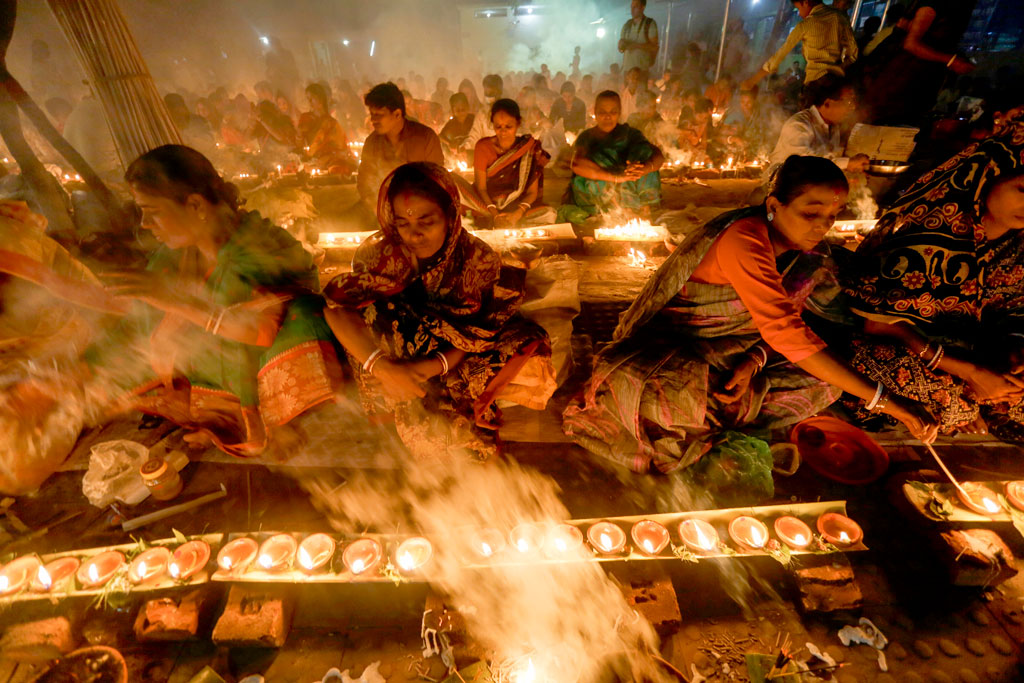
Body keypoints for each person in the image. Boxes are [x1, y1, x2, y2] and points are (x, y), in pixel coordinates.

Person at [564, 155, 937, 475]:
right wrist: (888, 402)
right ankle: (703, 417)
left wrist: (752, 363)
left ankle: (708, 418)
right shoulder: (744, 238)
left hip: (728, 356)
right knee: (663, 396)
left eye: (834, 215)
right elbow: (786, 333)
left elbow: (791, 327)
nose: (823, 225)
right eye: (811, 212)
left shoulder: (809, 256)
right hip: (668, 353)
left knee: (826, 383)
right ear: (774, 206)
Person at [91, 145, 343, 456]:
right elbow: (138, 316)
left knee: (300, 317)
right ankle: (215, 415)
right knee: (161, 346)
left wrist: (177, 301)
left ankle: (276, 418)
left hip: (270, 350)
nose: (143, 223)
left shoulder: (258, 246)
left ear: (195, 205)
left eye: (153, 212)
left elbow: (256, 332)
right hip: (226, 354)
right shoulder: (177, 254)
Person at [323, 162, 557, 460]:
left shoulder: (477, 260)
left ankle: (422, 396)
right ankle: (408, 398)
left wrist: (424, 369)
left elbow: (477, 332)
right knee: (378, 316)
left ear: (450, 215)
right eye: (403, 223)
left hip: (451, 355)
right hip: (391, 357)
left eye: (426, 221)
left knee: (527, 342)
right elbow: (335, 309)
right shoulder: (378, 256)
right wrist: (383, 368)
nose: (414, 235)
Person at [840, 112, 1024, 440]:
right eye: (1022, 189)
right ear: (986, 177)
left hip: (976, 355)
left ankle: (983, 403)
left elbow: (1012, 316)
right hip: (913, 350)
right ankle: (968, 406)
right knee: (945, 396)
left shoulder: (1018, 244)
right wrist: (969, 371)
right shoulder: (930, 227)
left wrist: (1012, 356)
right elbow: (879, 324)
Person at [860, 0, 975, 126]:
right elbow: (910, 44)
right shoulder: (936, 5)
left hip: (916, 84)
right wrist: (950, 60)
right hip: (901, 82)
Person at [561, 90, 664, 226]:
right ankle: (616, 212)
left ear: (619, 113)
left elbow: (657, 156)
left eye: (613, 112)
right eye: (602, 112)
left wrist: (643, 169)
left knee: (644, 152)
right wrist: (617, 177)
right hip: (601, 186)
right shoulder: (587, 137)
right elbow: (577, 165)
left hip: (630, 183)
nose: (607, 117)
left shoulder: (630, 134)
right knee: (595, 164)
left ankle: (643, 210)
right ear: (595, 113)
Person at [461, 99, 556, 229]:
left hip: (517, 206)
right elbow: (481, 188)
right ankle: (495, 221)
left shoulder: (529, 148)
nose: (503, 132)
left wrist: (517, 214)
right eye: (498, 127)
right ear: (492, 124)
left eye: (508, 127)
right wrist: (495, 214)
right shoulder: (483, 147)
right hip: (487, 205)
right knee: (456, 189)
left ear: (518, 123)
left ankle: (507, 221)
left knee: (549, 214)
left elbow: (532, 193)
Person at [355, 83, 444, 220]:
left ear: (397, 114)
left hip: (423, 213)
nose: (373, 120)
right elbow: (365, 183)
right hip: (381, 213)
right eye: (372, 114)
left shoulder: (425, 138)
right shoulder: (372, 143)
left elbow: (438, 180)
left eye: (379, 115)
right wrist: (377, 209)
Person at [743, 0, 858, 90]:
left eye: (798, 8)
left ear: (806, 2)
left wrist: (752, 80)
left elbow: (780, 54)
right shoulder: (840, 17)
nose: (799, 13)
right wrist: (839, 69)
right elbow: (853, 53)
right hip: (836, 82)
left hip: (814, 84)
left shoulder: (805, 25)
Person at [768, 75, 863, 173]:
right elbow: (805, 165)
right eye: (848, 102)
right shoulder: (799, 125)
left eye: (853, 102)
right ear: (827, 103)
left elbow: (828, 160)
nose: (853, 108)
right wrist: (847, 163)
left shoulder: (833, 126)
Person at [298, 83, 354, 175]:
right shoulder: (305, 118)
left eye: (312, 98)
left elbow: (341, 148)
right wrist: (299, 134)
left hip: (330, 160)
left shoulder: (332, 123)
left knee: (339, 168)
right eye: (307, 99)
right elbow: (300, 145)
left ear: (320, 99)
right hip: (311, 161)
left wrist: (328, 157)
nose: (309, 102)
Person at [618, 0, 659, 84]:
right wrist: (621, 45)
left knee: (640, 96)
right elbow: (620, 48)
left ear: (643, 7)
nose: (632, 10)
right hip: (627, 71)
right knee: (626, 96)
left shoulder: (650, 24)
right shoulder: (627, 25)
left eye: (635, 7)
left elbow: (655, 47)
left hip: (641, 71)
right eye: (631, 7)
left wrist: (636, 46)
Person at [439, 92, 476, 165]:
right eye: (458, 110)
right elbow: (440, 136)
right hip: (457, 157)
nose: (461, 113)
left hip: (473, 154)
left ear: (468, 107)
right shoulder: (451, 123)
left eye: (463, 109)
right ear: (453, 111)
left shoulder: (474, 120)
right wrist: (449, 143)